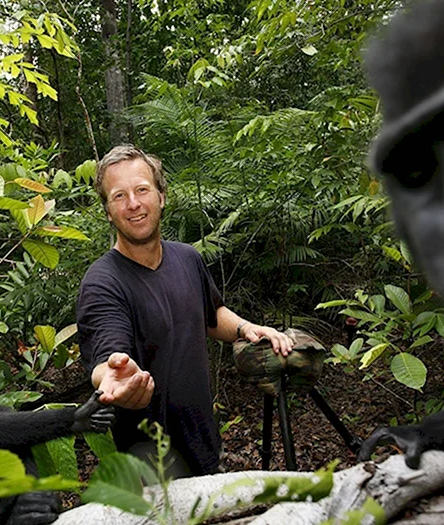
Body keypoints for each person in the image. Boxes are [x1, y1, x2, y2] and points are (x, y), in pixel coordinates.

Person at [76, 144, 293, 476]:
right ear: (108, 211)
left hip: (203, 440)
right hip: (149, 464)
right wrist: (113, 378)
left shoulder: (187, 258)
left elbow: (210, 314)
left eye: (142, 190)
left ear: (162, 196)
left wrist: (245, 328)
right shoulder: (103, 282)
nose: (133, 204)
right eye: (119, 196)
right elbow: (107, 355)